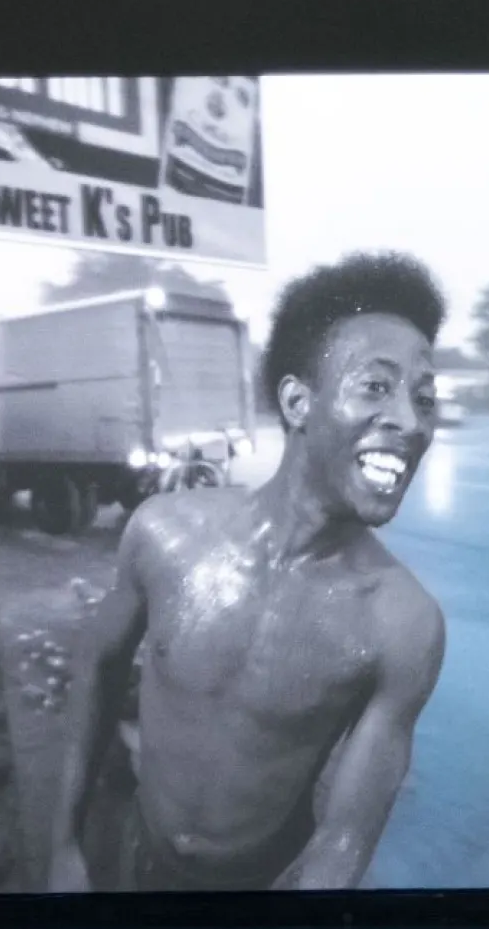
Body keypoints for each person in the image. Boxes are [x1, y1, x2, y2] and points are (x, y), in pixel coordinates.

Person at [48, 252, 447, 893]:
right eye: (377, 386)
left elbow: (342, 841)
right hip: (134, 861)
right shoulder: (165, 535)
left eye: (425, 398)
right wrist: (64, 845)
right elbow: (98, 667)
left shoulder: (401, 624)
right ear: (297, 402)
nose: (411, 421)